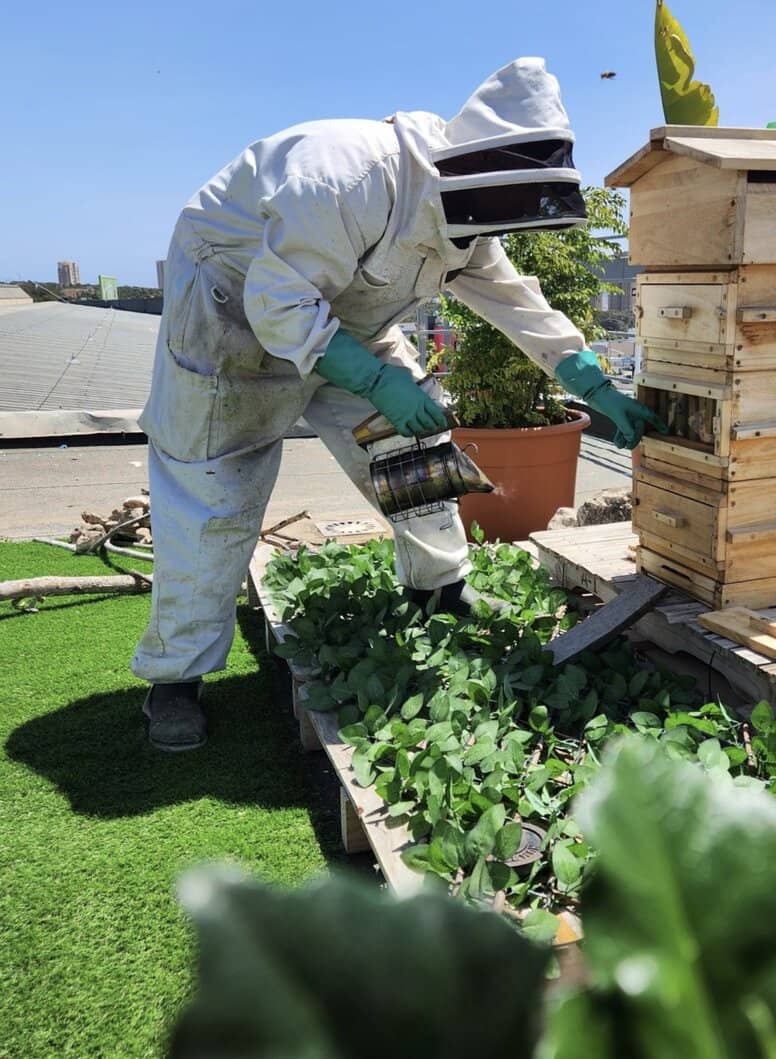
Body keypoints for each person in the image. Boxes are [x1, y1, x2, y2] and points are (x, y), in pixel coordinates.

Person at [133, 57, 665, 751]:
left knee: (415, 449)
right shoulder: (345, 177)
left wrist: (596, 388)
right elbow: (280, 301)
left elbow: (517, 304)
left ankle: (437, 589)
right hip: (231, 310)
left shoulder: (469, 215)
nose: (497, 235)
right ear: (473, 172)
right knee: (214, 493)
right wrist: (381, 382)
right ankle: (175, 678)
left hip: (344, 323)